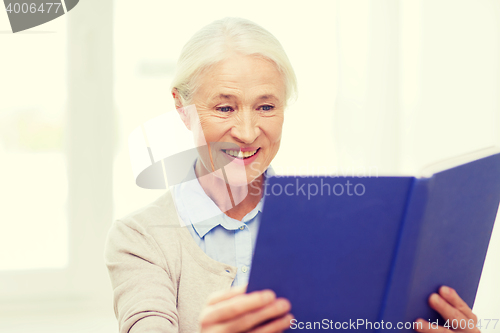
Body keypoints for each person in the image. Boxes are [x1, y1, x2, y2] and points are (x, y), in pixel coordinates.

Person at [104, 17, 481, 333]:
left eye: (266, 106)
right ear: (181, 108)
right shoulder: (140, 239)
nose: (248, 132)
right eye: (225, 107)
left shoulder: (337, 219)